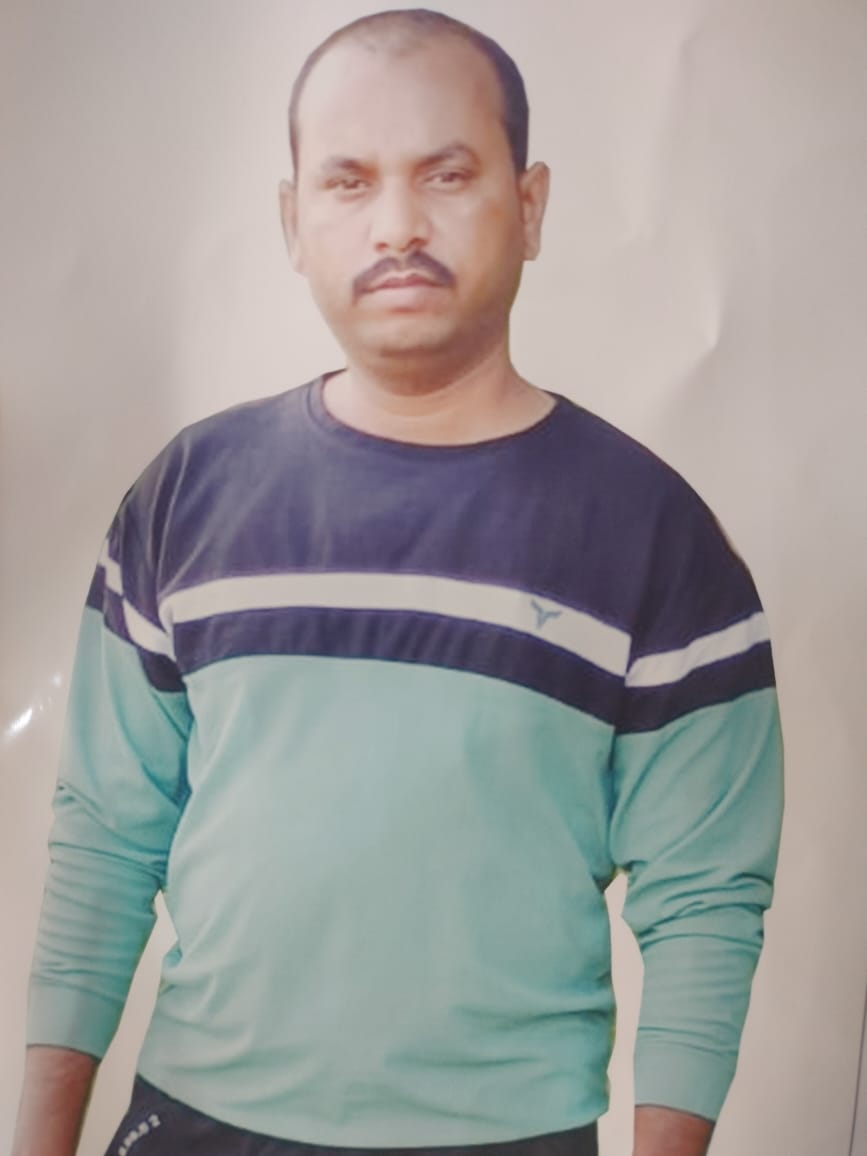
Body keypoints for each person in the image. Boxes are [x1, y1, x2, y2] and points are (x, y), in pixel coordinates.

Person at [12, 9, 783, 1156]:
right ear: (294, 220)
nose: (397, 224)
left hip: (506, 1138)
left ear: (529, 205)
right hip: (193, 1124)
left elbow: (707, 899)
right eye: (348, 181)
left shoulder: (654, 538)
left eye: (446, 173)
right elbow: (106, 841)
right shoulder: (187, 497)